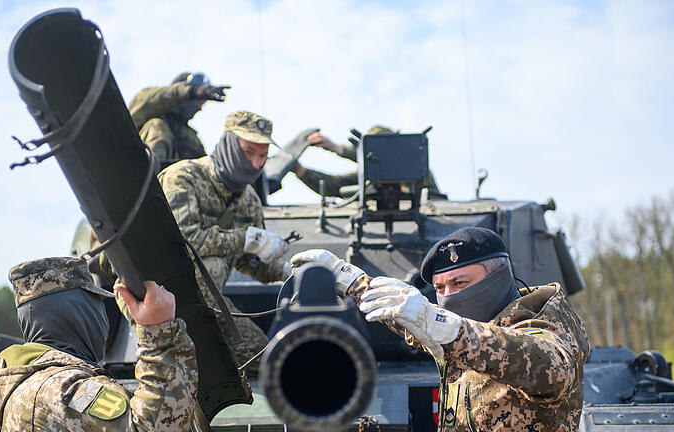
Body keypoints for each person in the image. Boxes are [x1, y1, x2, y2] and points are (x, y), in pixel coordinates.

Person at [291, 227, 590, 431]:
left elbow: (549, 366)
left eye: (461, 283)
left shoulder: (542, 323)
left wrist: (443, 326)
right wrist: (355, 284)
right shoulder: (468, 330)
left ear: (499, 277)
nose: (449, 297)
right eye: (440, 288)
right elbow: (420, 327)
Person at [0, 257, 197, 432]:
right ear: (77, 312)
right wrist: (159, 332)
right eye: (97, 304)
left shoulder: (21, 386)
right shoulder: (65, 390)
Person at [158, 110, 291, 374]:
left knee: (269, 360)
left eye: (263, 156)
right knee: (213, 265)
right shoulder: (183, 177)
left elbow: (251, 263)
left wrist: (289, 270)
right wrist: (247, 239)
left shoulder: (249, 199)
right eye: (248, 152)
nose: (255, 164)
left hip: (211, 308)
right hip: (158, 300)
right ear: (229, 143)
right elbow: (185, 241)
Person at [291, 125, 446, 199]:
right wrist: (301, 171)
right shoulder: (370, 178)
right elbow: (333, 185)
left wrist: (340, 149)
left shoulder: (415, 169)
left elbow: (388, 161)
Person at [128, 71, 230, 169]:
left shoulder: (190, 138)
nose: (199, 108)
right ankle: (148, 170)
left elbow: (205, 168)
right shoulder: (147, 104)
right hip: (134, 167)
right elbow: (156, 98)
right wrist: (193, 91)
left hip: (168, 183)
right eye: (199, 100)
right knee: (156, 125)